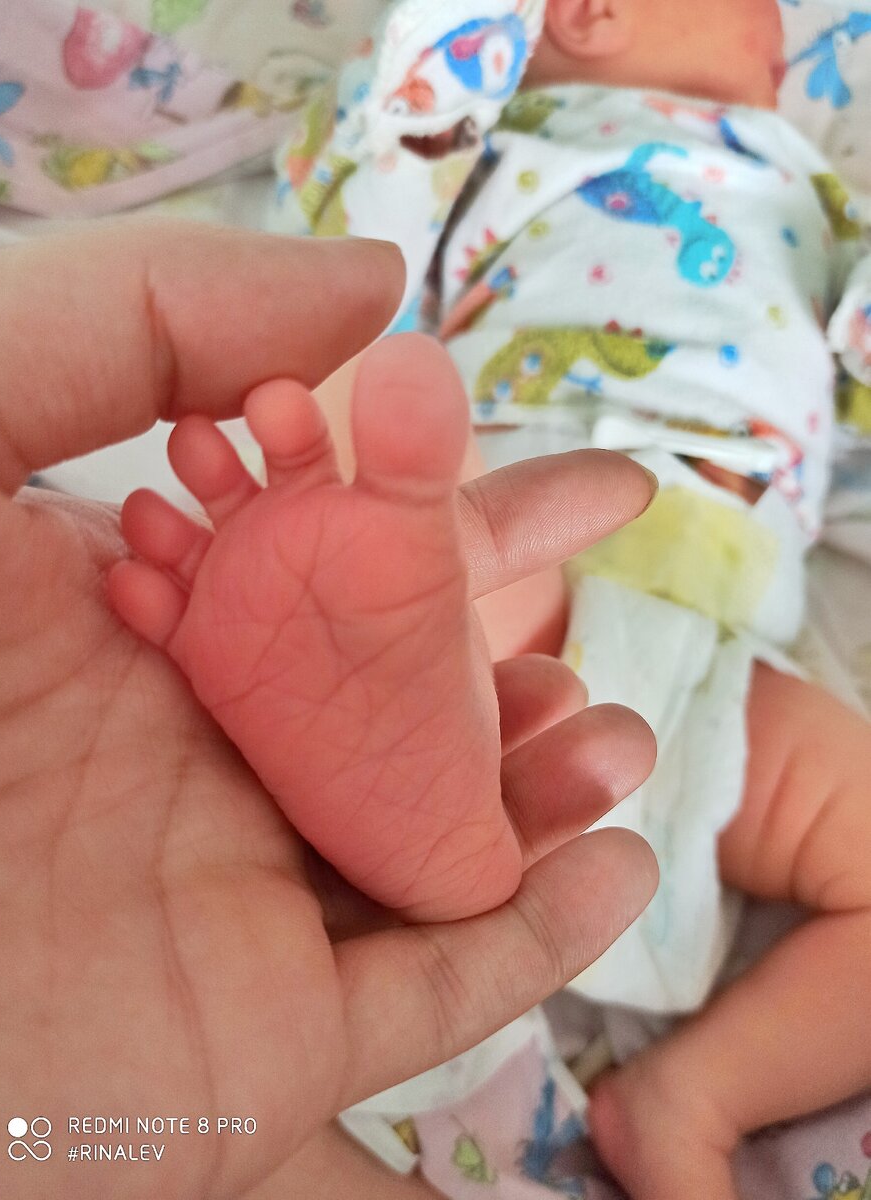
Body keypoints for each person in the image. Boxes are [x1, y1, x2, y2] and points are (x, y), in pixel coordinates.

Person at [110, 1, 871, 1196]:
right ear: (590, 14)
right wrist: (428, 90)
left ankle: (699, 1095)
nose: (783, 25)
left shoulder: (813, 191)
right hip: (525, 545)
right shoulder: (495, 128)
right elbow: (353, 226)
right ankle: (374, 674)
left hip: (712, 664)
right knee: (377, 402)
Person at [0, 219, 661, 1199]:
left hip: (179, 1082)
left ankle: (371, 624)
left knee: (367, 426)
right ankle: (419, 750)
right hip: (278, 1051)